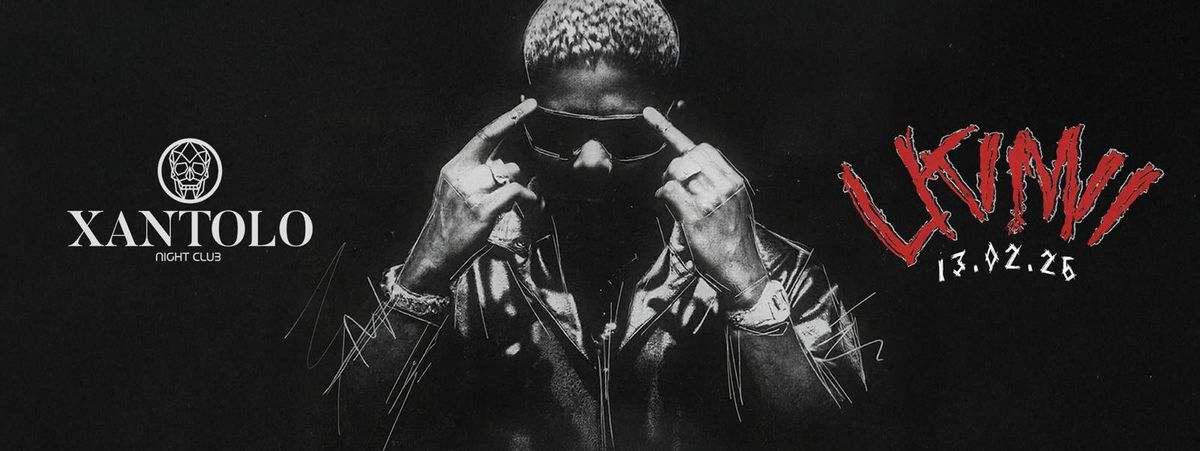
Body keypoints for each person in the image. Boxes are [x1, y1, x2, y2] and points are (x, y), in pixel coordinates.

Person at [333, 0, 865, 448]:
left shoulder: (777, 269)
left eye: (628, 136)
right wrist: (424, 273)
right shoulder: (464, 269)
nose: (592, 164)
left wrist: (749, 288)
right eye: (561, 133)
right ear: (525, 116)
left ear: (672, 117)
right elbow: (343, 429)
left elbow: (845, 440)